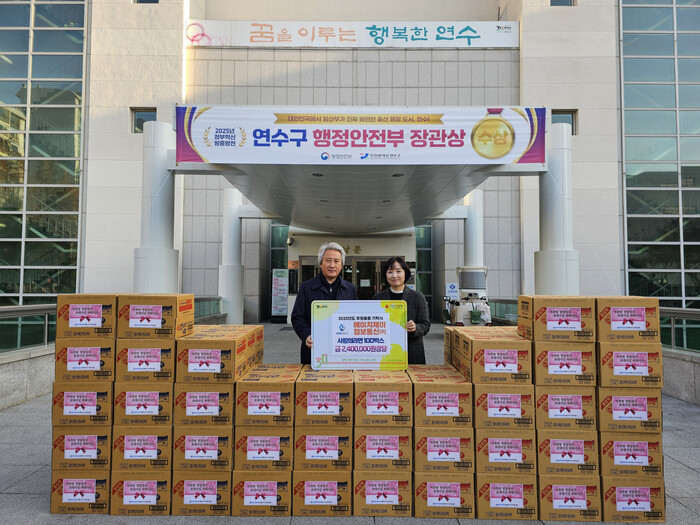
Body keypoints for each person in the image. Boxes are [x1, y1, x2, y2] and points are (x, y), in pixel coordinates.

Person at [292, 242, 358, 364]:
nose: (332, 265)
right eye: (328, 260)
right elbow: (297, 317)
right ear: (321, 263)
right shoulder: (306, 288)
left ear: (342, 265)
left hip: (343, 351)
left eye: (336, 261)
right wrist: (306, 335)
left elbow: (355, 317)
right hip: (314, 350)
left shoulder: (350, 289)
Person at [373, 256, 431, 364]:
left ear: (405, 273)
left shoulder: (417, 297)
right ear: (386, 275)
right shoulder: (378, 298)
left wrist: (415, 328)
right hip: (385, 352)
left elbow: (425, 325)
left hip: (412, 352)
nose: (394, 275)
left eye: (398, 271)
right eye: (390, 272)